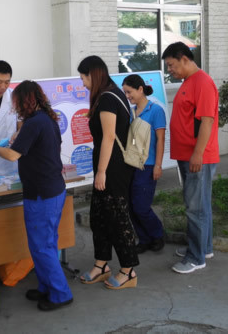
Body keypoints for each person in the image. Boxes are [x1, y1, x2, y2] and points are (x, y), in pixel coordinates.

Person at [0, 81, 74, 311]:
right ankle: (46, 286)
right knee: (46, 243)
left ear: (24, 101)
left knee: (42, 246)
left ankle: (60, 293)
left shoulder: (34, 123)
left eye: (16, 102)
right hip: (51, 190)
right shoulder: (45, 119)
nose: (14, 106)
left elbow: (12, 155)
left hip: (42, 194)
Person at [77, 56, 139, 290]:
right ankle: (101, 265)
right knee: (99, 217)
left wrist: (101, 172)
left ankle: (128, 270)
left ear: (92, 75)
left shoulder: (107, 98)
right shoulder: (111, 93)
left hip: (113, 168)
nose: (83, 83)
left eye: (84, 78)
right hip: (108, 166)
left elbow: (109, 137)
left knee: (117, 217)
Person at [162, 42, 219, 274]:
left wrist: (198, 154)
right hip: (187, 154)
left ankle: (196, 258)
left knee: (195, 208)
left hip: (197, 157)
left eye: (171, 65)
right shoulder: (189, 81)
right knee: (200, 204)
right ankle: (204, 248)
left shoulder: (203, 83)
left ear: (184, 59)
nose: (169, 70)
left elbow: (207, 121)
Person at [121, 75, 166, 254]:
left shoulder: (156, 111)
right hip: (131, 164)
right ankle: (144, 239)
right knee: (131, 207)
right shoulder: (131, 112)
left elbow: (161, 140)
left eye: (129, 92)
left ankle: (158, 234)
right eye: (125, 93)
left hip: (148, 165)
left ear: (140, 89)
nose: (127, 96)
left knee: (141, 206)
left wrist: (158, 165)